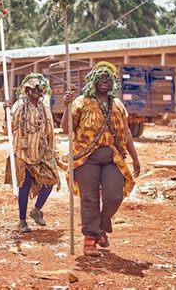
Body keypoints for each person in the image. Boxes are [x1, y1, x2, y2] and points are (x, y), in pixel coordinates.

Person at [62, 61, 141, 257]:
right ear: (94, 81)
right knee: (89, 198)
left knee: (115, 196)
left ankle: (100, 226)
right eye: (101, 78)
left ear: (113, 83)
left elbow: (127, 133)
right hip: (85, 158)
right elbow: (66, 129)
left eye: (108, 79)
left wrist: (135, 159)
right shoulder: (81, 102)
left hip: (112, 158)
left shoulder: (118, 104)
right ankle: (90, 240)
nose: (104, 82)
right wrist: (66, 106)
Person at [3, 73, 59, 234]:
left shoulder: (45, 108)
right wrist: (5, 112)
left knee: (50, 181)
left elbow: (50, 132)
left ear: (43, 90)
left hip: (42, 153)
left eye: (39, 88)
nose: (36, 90)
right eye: (32, 88)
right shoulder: (19, 106)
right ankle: (22, 221)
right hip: (22, 153)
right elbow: (8, 128)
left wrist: (53, 151)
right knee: (24, 187)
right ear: (26, 90)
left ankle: (36, 210)